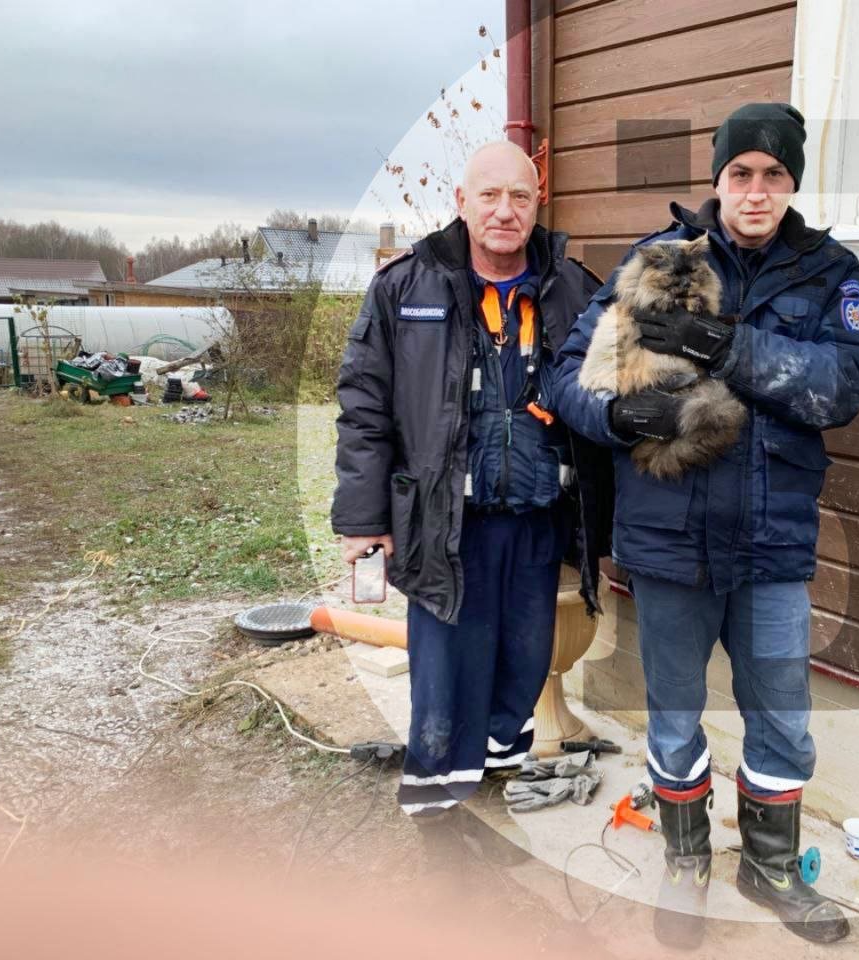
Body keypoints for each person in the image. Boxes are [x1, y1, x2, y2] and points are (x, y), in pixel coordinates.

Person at [553, 103, 859, 947]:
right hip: (667, 542)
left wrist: (729, 347)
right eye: (742, 173)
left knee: (780, 718)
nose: (757, 190)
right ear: (717, 179)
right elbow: (567, 379)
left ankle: (769, 870)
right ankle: (684, 867)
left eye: (774, 175)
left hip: (771, 543)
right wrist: (619, 422)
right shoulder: (654, 263)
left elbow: (841, 388)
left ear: (793, 182)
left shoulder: (829, 272)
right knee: (673, 714)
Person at [331, 141, 609, 855]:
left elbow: (613, 403)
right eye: (489, 195)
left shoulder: (576, 289)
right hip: (443, 525)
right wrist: (363, 519)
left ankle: (490, 787)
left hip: (538, 523)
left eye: (519, 196)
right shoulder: (405, 288)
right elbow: (364, 406)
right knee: (447, 674)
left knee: (521, 664)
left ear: (538, 201)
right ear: (461, 202)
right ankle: (438, 819)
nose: (504, 211)